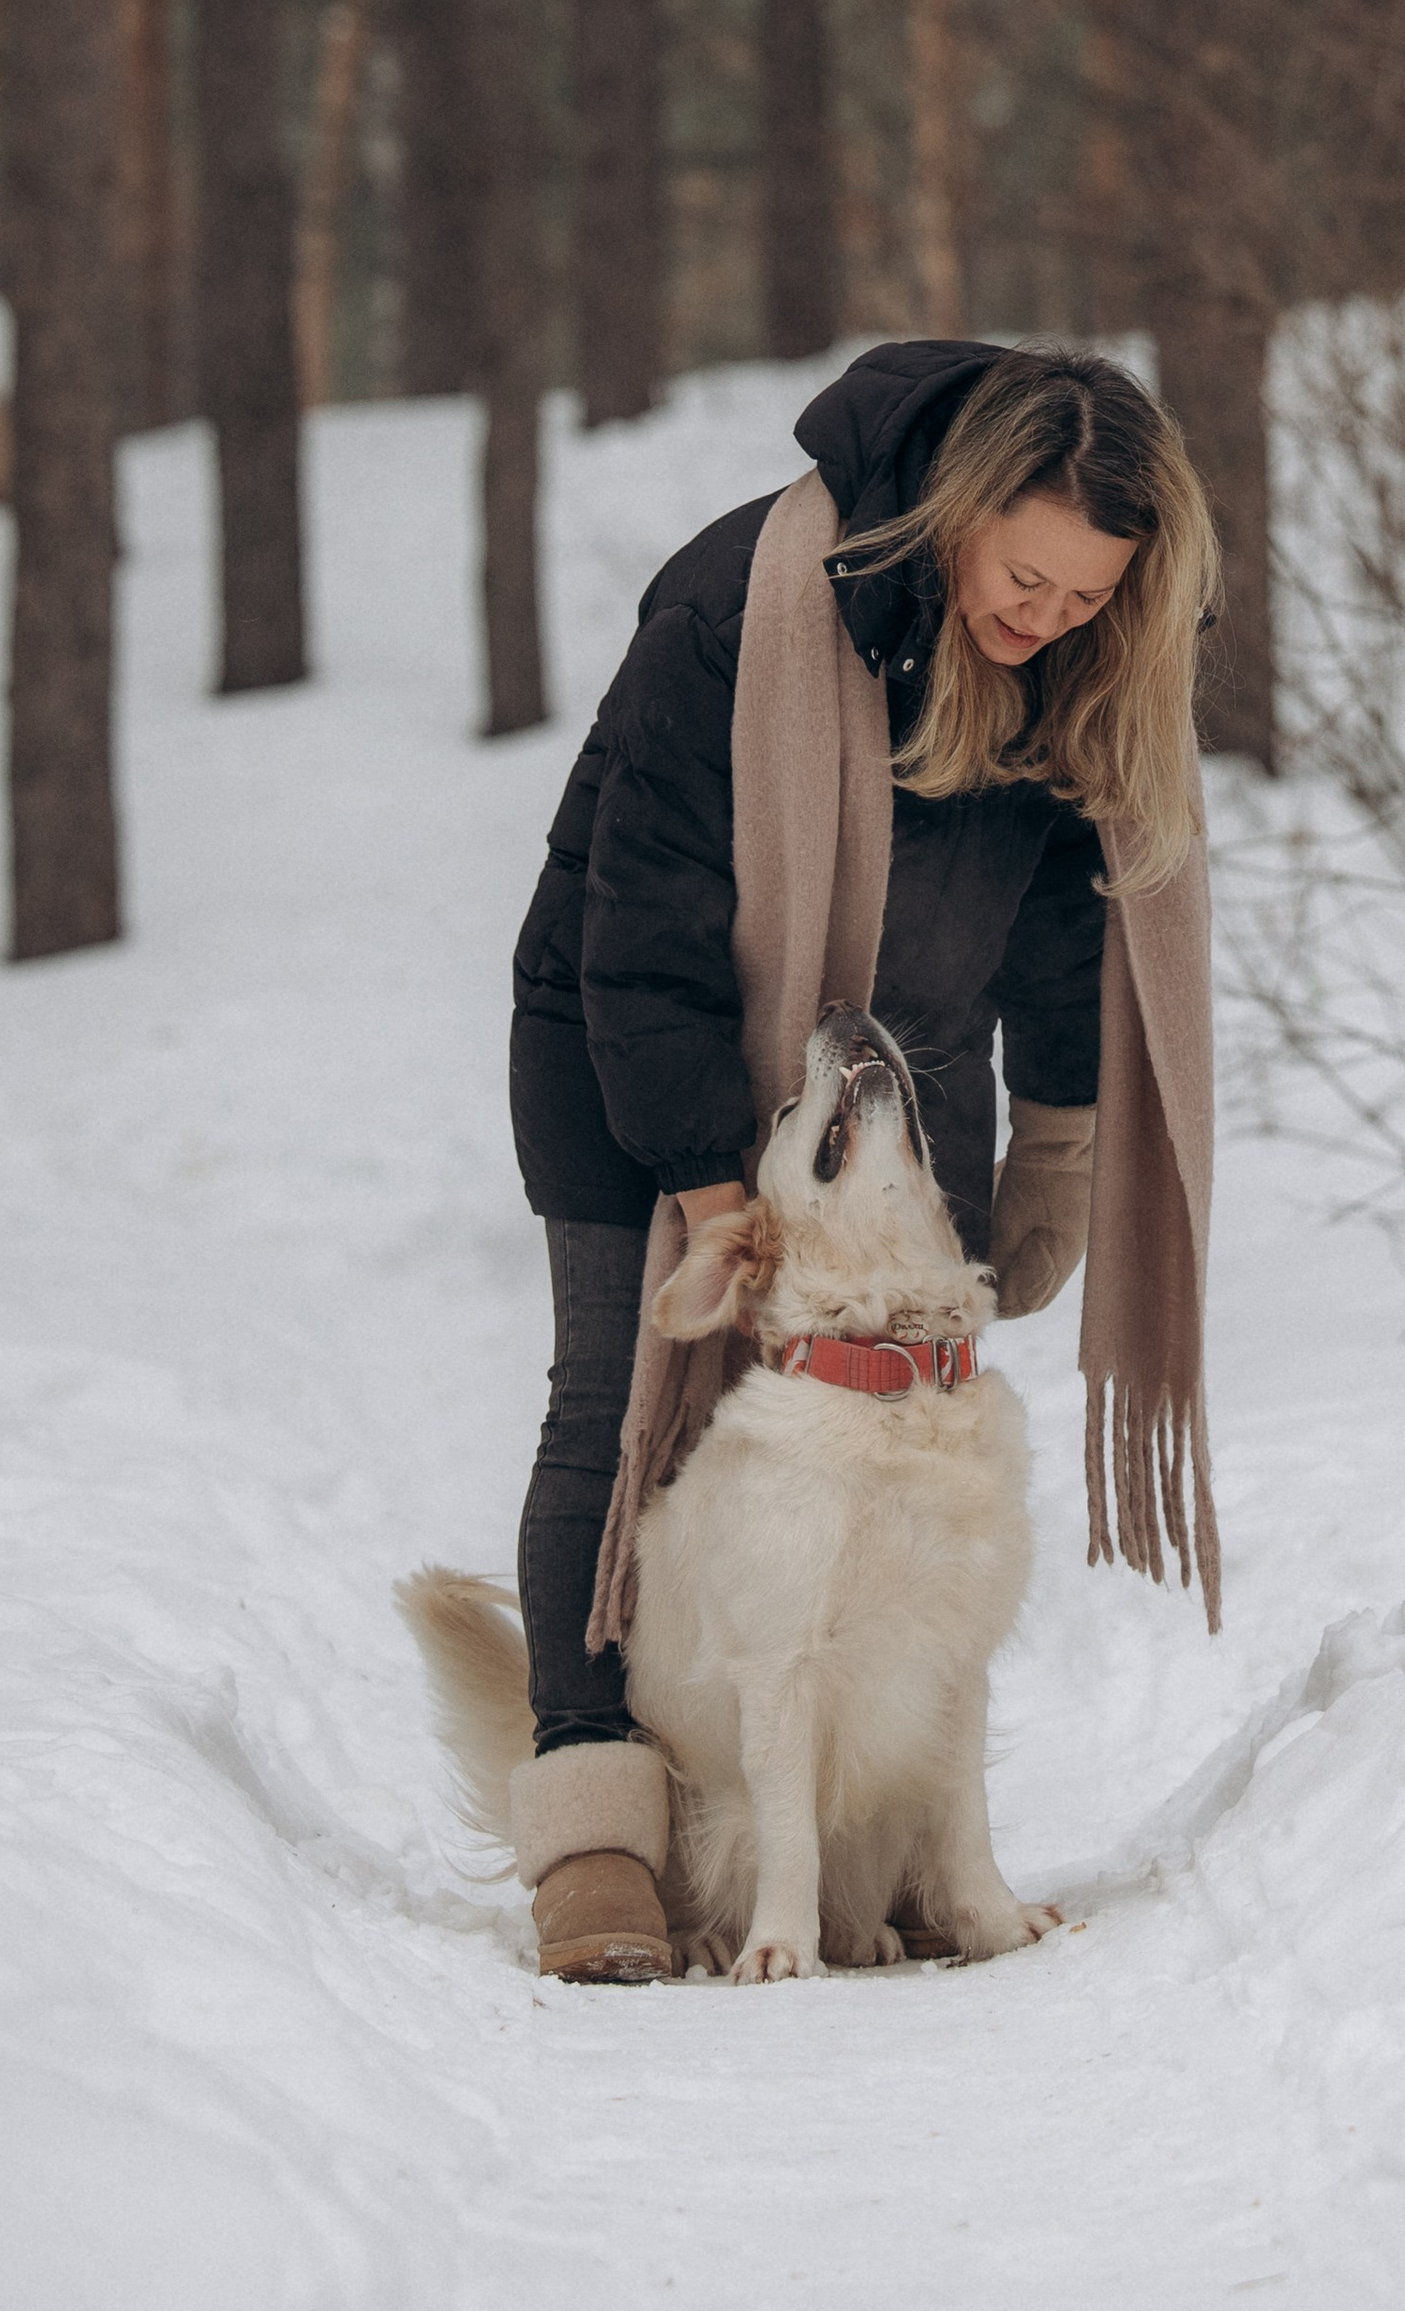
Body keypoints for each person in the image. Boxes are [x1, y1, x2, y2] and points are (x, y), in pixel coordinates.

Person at [502, 338, 1225, 1982]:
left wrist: (1060, 1137)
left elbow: (1060, 916)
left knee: (900, 1440)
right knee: (619, 1399)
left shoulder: (1074, 663)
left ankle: (878, 1830)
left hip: (898, 1059)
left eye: (1086, 597)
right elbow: (646, 933)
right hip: (634, 1037)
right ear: (958, 511)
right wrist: (709, 1188)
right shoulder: (739, 607)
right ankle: (599, 1835)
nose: (1045, 617)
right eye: (1024, 577)